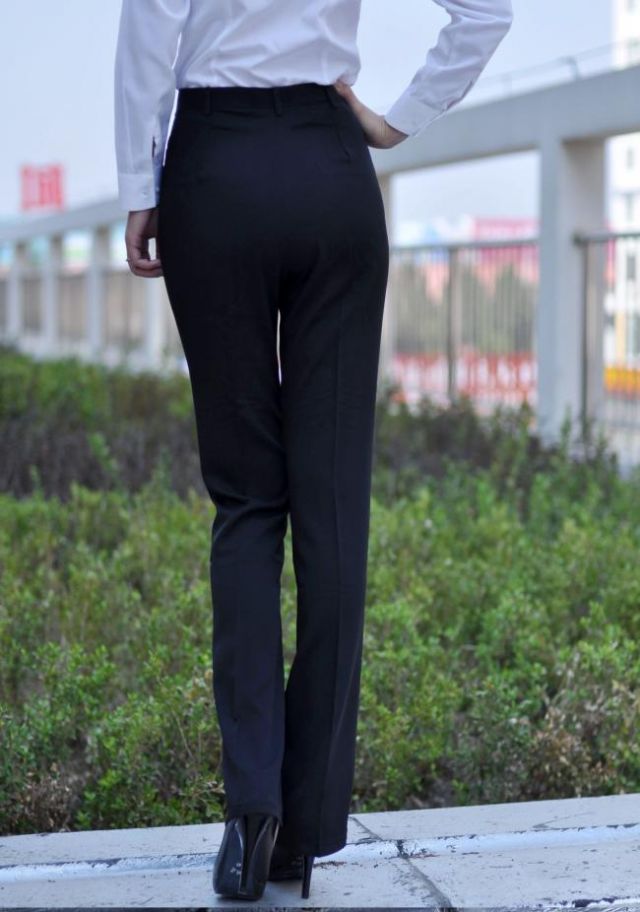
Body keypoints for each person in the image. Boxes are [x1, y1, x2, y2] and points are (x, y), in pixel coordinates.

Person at [113, 0, 513, 901]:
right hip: (331, 171)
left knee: (247, 502)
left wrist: (140, 184)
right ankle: (307, 822)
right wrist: (397, 119)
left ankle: (251, 815)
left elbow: (147, 35)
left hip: (215, 173)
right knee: (331, 508)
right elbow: (487, 11)